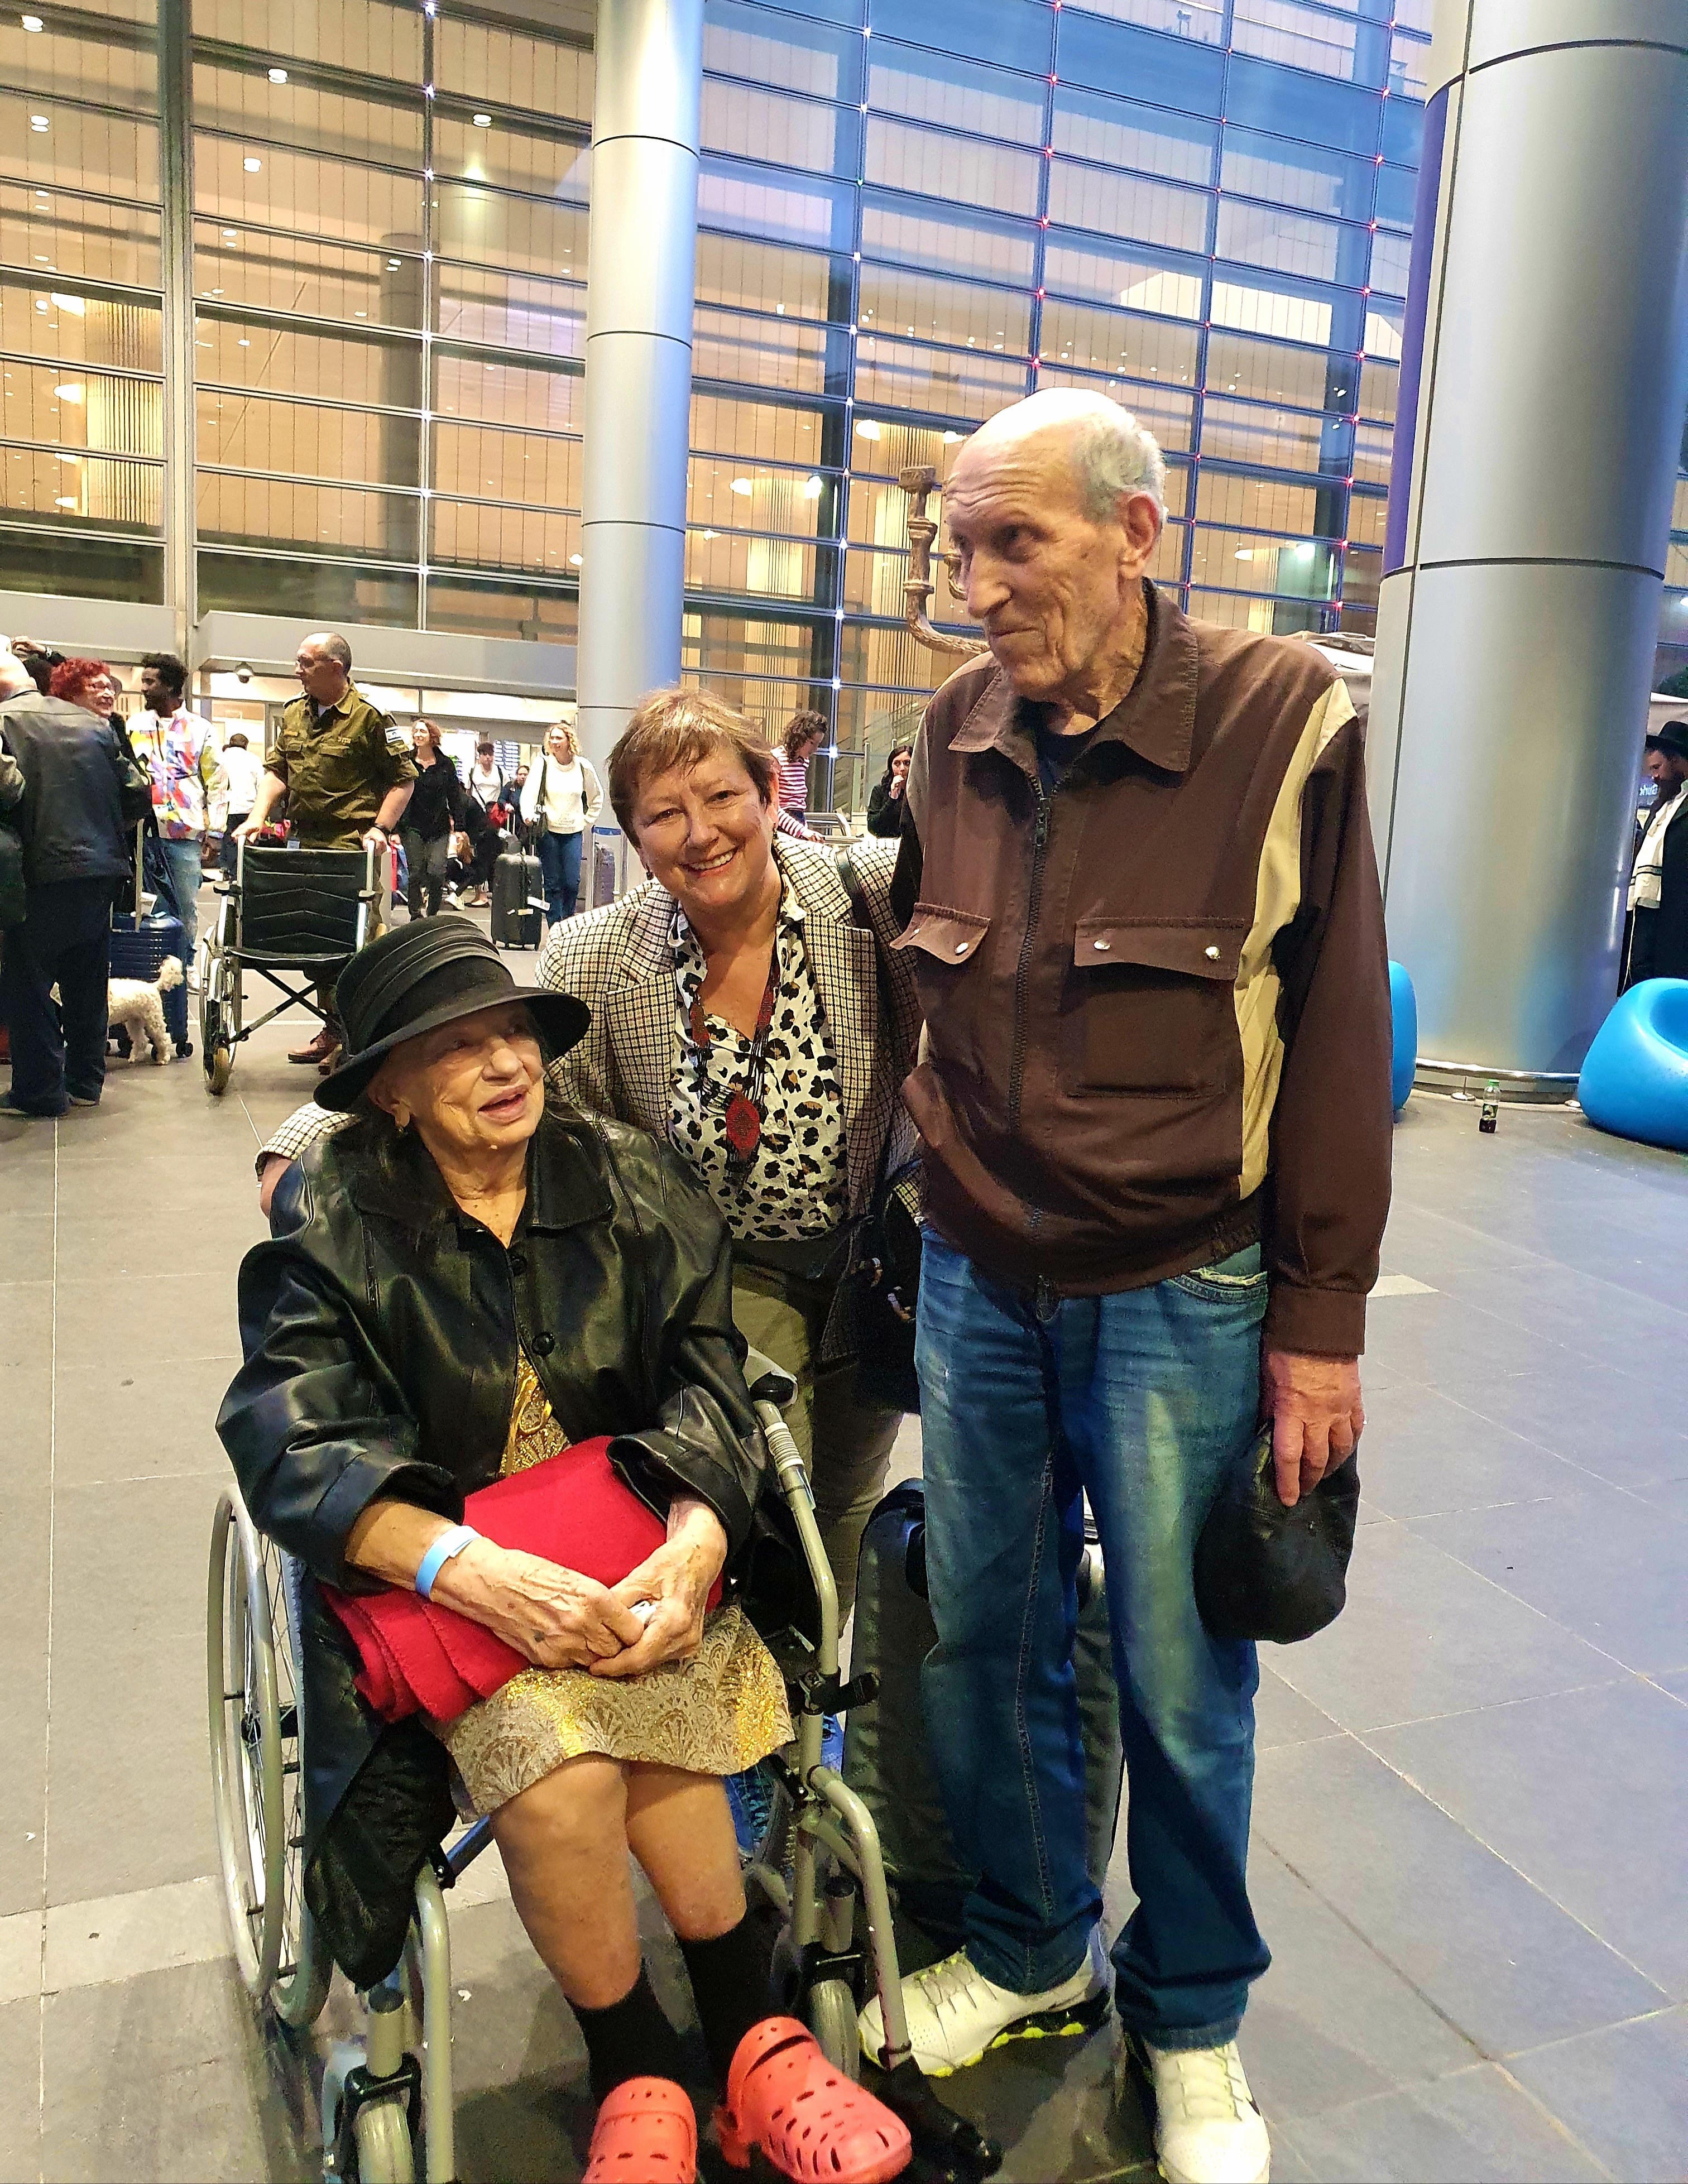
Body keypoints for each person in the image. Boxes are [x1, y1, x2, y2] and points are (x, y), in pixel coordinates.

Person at [861, 388, 1391, 2184]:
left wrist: (1322, 1324)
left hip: (1185, 1280)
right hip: (978, 1272)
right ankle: (1030, 1946)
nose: (978, 584)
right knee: (983, 1630)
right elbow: (920, 974)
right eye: (959, 547)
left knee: (1180, 1670)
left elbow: (1338, 1035)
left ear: (1137, 532)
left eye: (1015, 540)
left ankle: (1192, 2018)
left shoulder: (1281, 717)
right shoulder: (953, 726)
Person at [218, 919, 905, 2181]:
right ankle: (638, 2060)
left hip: (636, 1552)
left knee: (655, 1685)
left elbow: (709, 1375)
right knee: (562, 1763)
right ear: (389, 1089)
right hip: (444, 1581)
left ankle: (748, 2041)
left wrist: (699, 1535)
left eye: (514, 1033)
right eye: (457, 1046)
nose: (504, 1063)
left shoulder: (625, 1178)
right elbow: (289, 1436)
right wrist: (469, 1570)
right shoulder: (337, 1217)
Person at [253, 690, 920, 1625]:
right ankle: (758, 1682)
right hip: (714, 1277)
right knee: (770, 1496)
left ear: (771, 794)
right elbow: (495, 1083)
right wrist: (302, 1144)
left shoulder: (874, 896)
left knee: (844, 1502)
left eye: (722, 797)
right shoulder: (595, 957)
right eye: (664, 813)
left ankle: (816, 1678)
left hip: (870, 1269)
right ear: (634, 837)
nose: (701, 833)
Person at [236, 630, 416, 1069]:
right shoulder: (293, 712)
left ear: (336, 667)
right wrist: (258, 814)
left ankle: (352, 1035)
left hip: (352, 844)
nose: (296, 669)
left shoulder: (371, 716)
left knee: (352, 943)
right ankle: (334, 1028)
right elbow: (278, 770)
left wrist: (380, 827)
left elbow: (404, 779)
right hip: (303, 839)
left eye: (306, 662)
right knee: (311, 934)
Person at [0, 638, 136, 1116]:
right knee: (87, 979)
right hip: (102, 869)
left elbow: (8, 793)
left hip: (36, 869)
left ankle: (39, 1092)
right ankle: (85, 1082)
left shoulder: (4, 722)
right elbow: (137, 794)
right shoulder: (95, 724)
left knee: (28, 982)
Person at [127, 652, 215, 967]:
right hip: (141, 833)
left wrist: (216, 833)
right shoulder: (134, 726)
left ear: (170, 686)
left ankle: (184, 965)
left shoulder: (201, 729)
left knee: (185, 905)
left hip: (184, 834)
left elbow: (217, 782)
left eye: (150, 682)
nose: (144, 688)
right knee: (145, 904)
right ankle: (149, 965)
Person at [520, 719, 603, 927]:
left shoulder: (582, 766)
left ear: (569, 741)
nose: (554, 742)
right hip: (548, 831)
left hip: (573, 832)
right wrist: (528, 814)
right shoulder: (543, 764)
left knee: (572, 883)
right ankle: (555, 926)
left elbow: (597, 796)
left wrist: (586, 821)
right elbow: (529, 793)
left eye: (559, 738)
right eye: (552, 738)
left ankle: (566, 922)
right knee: (553, 884)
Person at [1623, 719, 1688, 987]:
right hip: (1644, 917)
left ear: (1677, 760)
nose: (1654, 777)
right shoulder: (1661, 807)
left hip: (1675, 923)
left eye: (1658, 768)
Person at [398, 721, 464, 921]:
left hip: (438, 827)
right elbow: (398, 793)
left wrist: (460, 827)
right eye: (416, 731)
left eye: (423, 731)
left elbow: (455, 796)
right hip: (412, 825)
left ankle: (433, 914)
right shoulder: (407, 761)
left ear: (432, 736)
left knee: (436, 872)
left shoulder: (445, 765)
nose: (418, 735)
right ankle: (415, 914)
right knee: (416, 872)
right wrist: (393, 828)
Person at [461, 737, 509, 905]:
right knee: (477, 853)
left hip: (494, 817)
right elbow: (466, 793)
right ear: (479, 756)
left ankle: (493, 890)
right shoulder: (472, 772)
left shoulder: (501, 773)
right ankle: (479, 893)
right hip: (475, 816)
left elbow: (506, 792)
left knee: (493, 853)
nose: (488, 758)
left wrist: (504, 805)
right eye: (485, 754)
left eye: (491, 754)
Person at [215, 732, 262, 877]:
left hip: (228, 808)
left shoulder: (221, 757)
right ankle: (245, 873)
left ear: (231, 743)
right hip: (248, 809)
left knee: (229, 841)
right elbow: (261, 785)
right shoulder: (254, 760)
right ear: (246, 745)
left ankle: (232, 872)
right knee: (247, 842)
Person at [774, 711, 826, 828]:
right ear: (800, 737)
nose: (815, 749)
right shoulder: (776, 759)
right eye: (812, 743)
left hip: (798, 821)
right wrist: (801, 831)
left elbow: (798, 804)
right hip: (783, 823)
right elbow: (774, 806)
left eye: (818, 744)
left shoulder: (803, 762)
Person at [865, 742, 913, 838]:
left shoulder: (921, 792)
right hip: (887, 843)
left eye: (907, 763)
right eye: (897, 764)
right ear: (891, 767)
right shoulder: (880, 791)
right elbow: (873, 827)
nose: (902, 769)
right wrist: (892, 799)